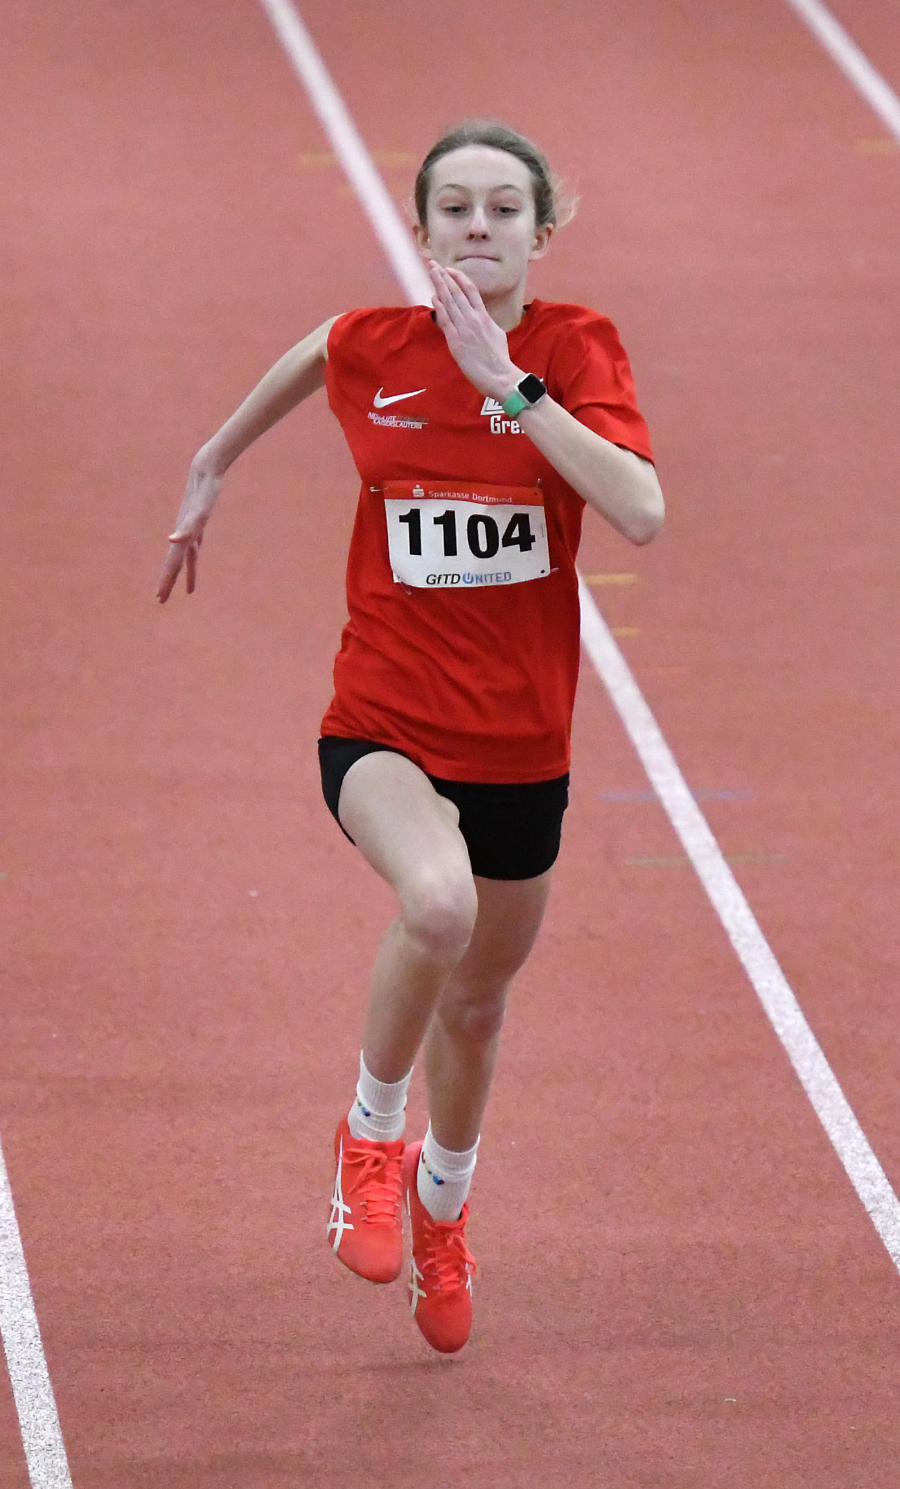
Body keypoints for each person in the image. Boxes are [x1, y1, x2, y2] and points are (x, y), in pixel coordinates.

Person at [158, 121, 664, 1354]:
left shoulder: (575, 349)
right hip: (381, 722)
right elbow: (309, 353)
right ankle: (369, 1135)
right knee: (435, 907)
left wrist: (512, 387)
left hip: (523, 747)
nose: (478, 227)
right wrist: (213, 461)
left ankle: (443, 1204)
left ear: (540, 232)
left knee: (480, 1005)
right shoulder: (373, 344)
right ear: (423, 228)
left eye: (503, 209)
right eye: (455, 209)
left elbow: (640, 510)